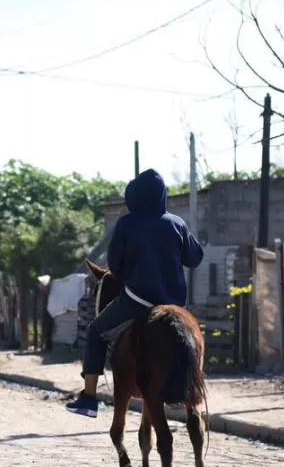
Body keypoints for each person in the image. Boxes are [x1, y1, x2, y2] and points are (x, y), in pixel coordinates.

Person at [65, 168, 204, 418]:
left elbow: (116, 268)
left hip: (137, 300)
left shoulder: (127, 223)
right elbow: (195, 258)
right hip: (174, 304)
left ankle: (88, 398)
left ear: (134, 196)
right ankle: (192, 392)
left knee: (96, 331)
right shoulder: (177, 223)